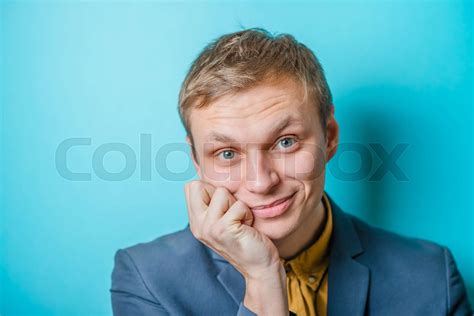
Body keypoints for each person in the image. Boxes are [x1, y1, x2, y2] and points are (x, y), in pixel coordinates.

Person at [110, 28, 472, 316]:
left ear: (329, 137)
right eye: (226, 152)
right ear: (196, 160)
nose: (261, 181)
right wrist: (262, 279)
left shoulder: (430, 278)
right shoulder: (148, 280)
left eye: (285, 142)